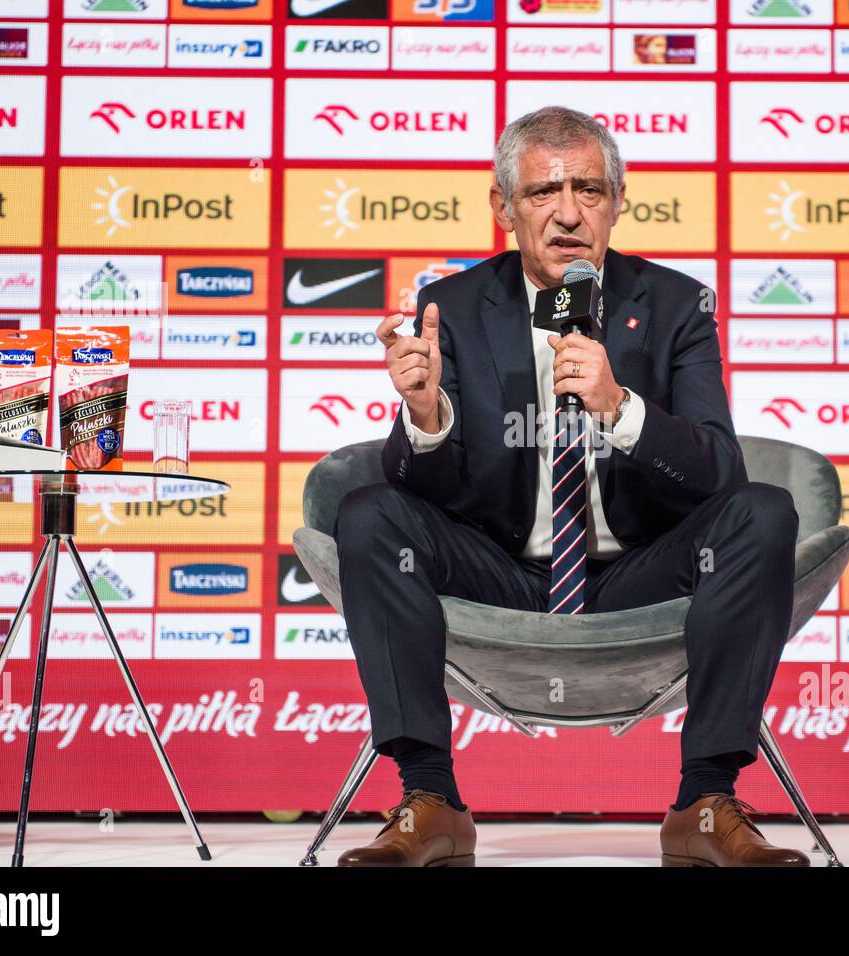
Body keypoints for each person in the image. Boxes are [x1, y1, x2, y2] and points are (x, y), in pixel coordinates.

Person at [333, 105, 805, 867]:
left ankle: (705, 803)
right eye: (541, 193)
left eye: (588, 189)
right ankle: (430, 798)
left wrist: (622, 409)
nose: (567, 213)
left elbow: (720, 472)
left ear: (618, 202)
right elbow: (425, 490)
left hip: (635, 577)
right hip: (502, 572)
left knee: (763, 512)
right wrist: (426, 416)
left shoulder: (675, 304)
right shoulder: (452, 307)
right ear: (503, 208)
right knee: (370, 514)